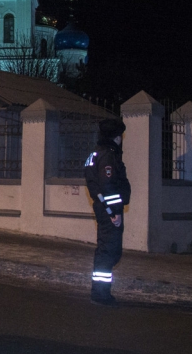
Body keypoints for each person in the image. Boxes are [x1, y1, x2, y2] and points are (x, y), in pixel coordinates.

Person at [85, 118, 131, 307]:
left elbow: (94, 183)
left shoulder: (96, 154)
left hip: (103, 208)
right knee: (109, 251)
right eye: (120, 136)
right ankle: (100, 294)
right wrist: (114, 212)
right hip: (108, 210)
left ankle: (100, 291)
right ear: (117, 137)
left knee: (107, 250)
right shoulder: (108, 156)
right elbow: (108, 186)